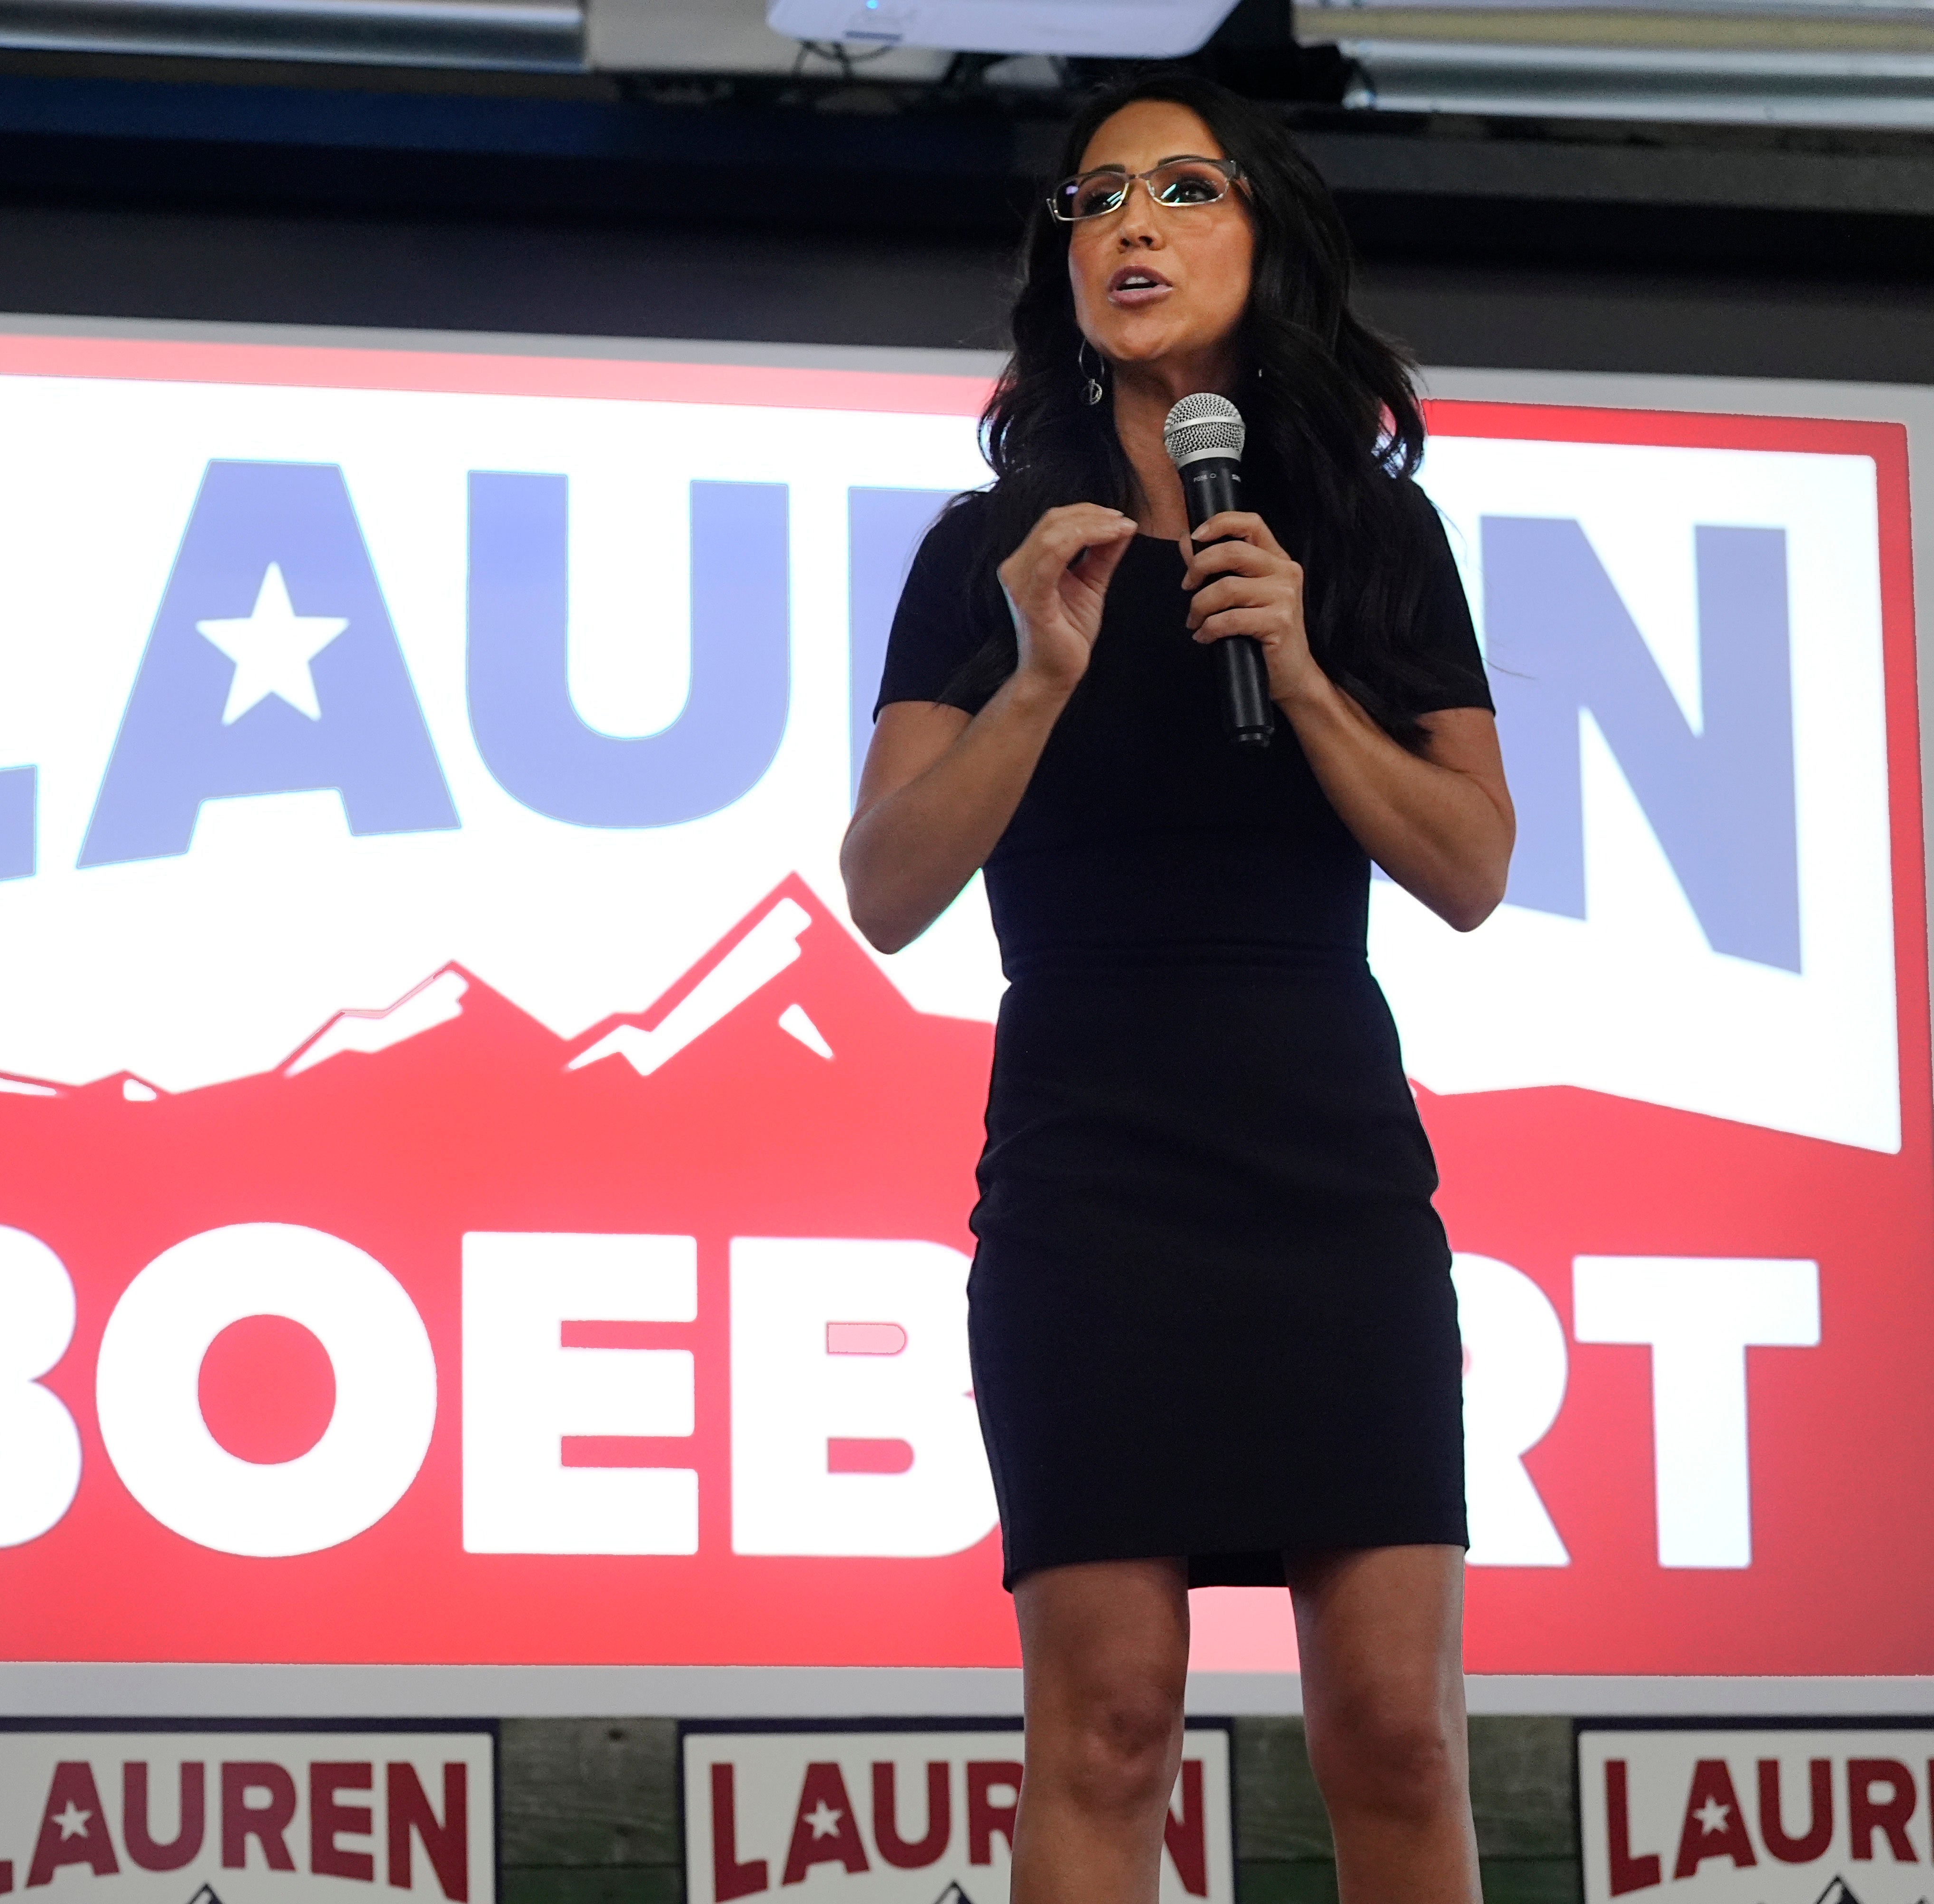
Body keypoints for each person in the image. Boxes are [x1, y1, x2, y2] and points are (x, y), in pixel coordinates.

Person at [840, 69, 1516, 1904]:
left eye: (1182, 190)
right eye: (1095, 200)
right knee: (1111, 1725)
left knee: (1394, 1726)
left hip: (1327, 1182)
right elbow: (887, 888)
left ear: (1264, 239)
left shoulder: (1366, 543)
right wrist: (1043, 673)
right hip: (1091, 1181)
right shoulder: (983, 557)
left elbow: (1468, 866)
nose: (1129, 225)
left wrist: (1302, 669)